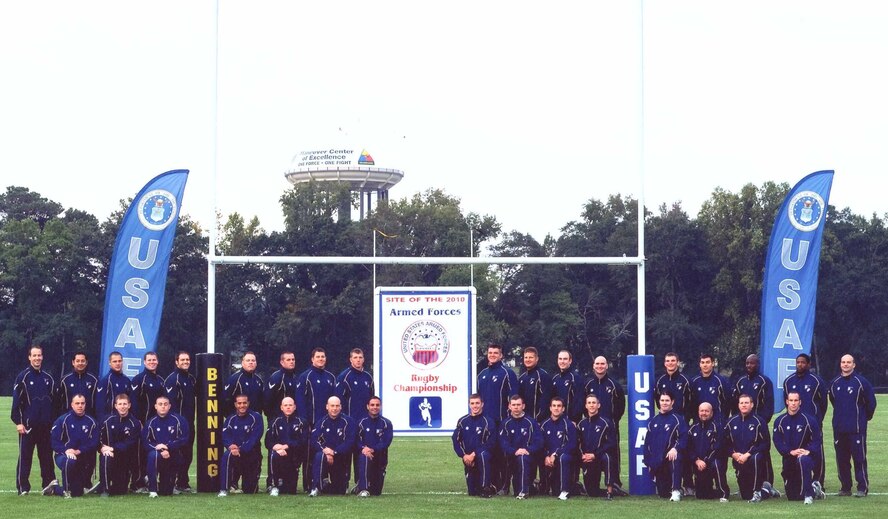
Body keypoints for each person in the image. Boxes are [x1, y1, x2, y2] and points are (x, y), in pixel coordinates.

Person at [827, 354, 877, 497]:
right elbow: (833, 401)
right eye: (843, 362)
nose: (846, 364)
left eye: (849, 362)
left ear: (854, 365)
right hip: (839, 429)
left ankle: (862, 487)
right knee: (841, 459)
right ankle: (845, 487)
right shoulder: (834, 383)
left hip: (856, 429)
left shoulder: (861, 382)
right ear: (840, 364)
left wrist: (863, 418)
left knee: (859, 459)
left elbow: (871, 403)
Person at [12, 344, 58, 496]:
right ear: (29, 357)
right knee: (25, 457)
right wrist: (18, 422)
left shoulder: (48, 378)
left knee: (46, 457)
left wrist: (53, 424)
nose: (37, 358)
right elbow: (17, 403)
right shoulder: (23, 377)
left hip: (45, 427)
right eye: (34, 355)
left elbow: (54, 403)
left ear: (42, 357)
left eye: (39, 355)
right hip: (28, 426)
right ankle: (23, 487)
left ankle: (48, 485)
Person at [477, 343, 518, 493]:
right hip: (487, 424)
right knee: (490, 454)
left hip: (502, 422)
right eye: (490, 352)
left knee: (504, 455)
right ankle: (493, 484)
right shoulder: (482, 375)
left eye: (496, 353)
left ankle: (505, 485)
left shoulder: (507, 373)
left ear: (501, 355)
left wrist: (509, 419)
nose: (492, 355)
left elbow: (513, 398)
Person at [782, 353, 828, 487]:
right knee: (794, 450)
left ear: (809, 364)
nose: (800, 365)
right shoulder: (789, 381)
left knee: (816, 450)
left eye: (803, 362)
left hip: (812, 423)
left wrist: (817, 419)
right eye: (798, 362)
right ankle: (794, 479)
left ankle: (818, 481)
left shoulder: (817, 381)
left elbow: (823, 403)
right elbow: (788, 402)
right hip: (794, 423)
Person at [772, 392, 824, 504]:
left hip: (806, 458)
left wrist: (808, 451)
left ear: (800, 402)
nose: (793, 403)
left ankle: (809, 495)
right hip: (789, 458)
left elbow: (817, 440)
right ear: (787, 402)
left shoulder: (809, 420)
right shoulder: (780, 421)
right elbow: (777, 441)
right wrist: (790, 452)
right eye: (791, 400)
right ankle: (815, 488)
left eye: (796, 400)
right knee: (792, 497)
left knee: (802, 459)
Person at [584, 356, 626, 492]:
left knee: (612, 454)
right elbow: (583, 405)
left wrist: (612, 421)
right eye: (597, 363)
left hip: (610, 427)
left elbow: (620, 407)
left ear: (607, 366)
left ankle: (614, 483)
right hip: (592, 426)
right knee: (592, 454)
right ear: (593, 366)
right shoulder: (588, 384)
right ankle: (591, 481)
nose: (600, 366)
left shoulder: (614, 385)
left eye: (603, 363)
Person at [296, 348, 337, 491]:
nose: (321, 359)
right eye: (318, 357)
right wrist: (305, 422)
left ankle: (324, 481)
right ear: (312, 359)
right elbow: (300, 401)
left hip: (328, 423)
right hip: (311, 423)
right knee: (310, 455)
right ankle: (309, 484)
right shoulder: (305, 377)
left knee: (326, 453)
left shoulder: (330, 377)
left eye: (323, 356)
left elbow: (334, 401)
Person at [724, 394, 777, 503]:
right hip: (739, 461)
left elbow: (765, 444)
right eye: (741, 403)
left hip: (756, 461)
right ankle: (767, 489)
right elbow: (724, 444)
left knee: (755, 457)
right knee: (746, 496)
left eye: (746, 403)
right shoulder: (731, 422)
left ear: (752, 405)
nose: (744, 405)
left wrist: (748, 454)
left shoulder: (759, 421)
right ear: (738, 405)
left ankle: (758, 490)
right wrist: (733, 454)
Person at [733, 354, 775, 487]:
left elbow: (769, 404)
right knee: (744, 453)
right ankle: (748, 481)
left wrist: (762, 421)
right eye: (747, 363)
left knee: (762, 452)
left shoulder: (764, 381)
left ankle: (767, 483)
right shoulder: (741, 381)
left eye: (752, 363)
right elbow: (735, 403)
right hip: (743, 424)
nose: (749, 366)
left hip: (758, 424)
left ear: (758, 364)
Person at [655, 352, 694, 495]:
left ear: (678, 363)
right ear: (664, 363)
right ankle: (668, 482)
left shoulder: (685, 380)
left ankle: (689, 484)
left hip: (682, 423)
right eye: (667, 361)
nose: (670, 363)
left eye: (673, 361)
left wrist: (685, 419)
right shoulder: (660, 381)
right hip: (666, 424)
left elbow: (691, 401)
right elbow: (658, 400)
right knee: (665, 452)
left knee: (684, 452)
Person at [46, 394, 99, 498]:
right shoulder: (62, 420)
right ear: (72, 405)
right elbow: (54, 442)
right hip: (64, 456)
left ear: (85, 405)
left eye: (82, 403)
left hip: (82, 457)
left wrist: (79, 451)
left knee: (78, 492)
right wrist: (66, 450)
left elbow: (94, 442)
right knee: (69, 460)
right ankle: (66, 491)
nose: (80, 406)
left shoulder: (92, 422)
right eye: (77, 403)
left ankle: (55, 488)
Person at [336, 347, 374, 488]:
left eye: (360, 357)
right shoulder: (344, 377)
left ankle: (360, 483)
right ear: (350, 359)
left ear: (363, 359)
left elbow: (371, 401)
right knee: (345, 453)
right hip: (349, 423)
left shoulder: (368, 378)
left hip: (364, 424)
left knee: (361, 453)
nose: (358, 360)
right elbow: (339, 401)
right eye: (355, 358)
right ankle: (343, 483)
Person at [643, 391, 688, 502]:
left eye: (667, 400)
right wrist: (648, 462)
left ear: (672, 402)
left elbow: (683, 438)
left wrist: (675, 448)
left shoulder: (678, 419)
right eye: (662, 400)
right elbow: (647, 443)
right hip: (658, 462)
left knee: (675, 457)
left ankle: (676, 490)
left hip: (670, 459)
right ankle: (675, 489)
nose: (664, 403)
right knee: (663, 494)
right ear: (659, 402)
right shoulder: (653, 421)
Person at [217, 395, 264, 497]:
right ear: (235, 404)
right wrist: (230, 446)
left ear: (248, 403)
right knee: (227, 455)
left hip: (251, 455)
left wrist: (240, 448)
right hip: (235, 454)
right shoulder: (230, 419)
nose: (242, 405)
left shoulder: (256, 418)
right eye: (239, 403)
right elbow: (225, 436)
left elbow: (254, 438)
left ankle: (245, 484)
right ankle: (224, 489)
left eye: (244, 403)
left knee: (250, 491)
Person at [143, 395, 189, 498]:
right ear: (155, 406)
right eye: (160, 404)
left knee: (166, 492)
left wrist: (168, 447)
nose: (163, 406)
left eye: (165, 404)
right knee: (153, 455)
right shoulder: (150, 422)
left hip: (173, 454)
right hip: (157, 453)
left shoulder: (179, 420)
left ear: (169, 406)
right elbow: (145, 442)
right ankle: (152, 490)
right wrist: (160, 449)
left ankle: (169, 483)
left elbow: (184, 439)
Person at [309, 396, 356, 496]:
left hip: (341, 458)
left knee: (339, 491)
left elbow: (349, 442)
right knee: (319, 456)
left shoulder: (348, 422)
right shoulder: (321, 422)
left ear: (340, 407)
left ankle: (328, 484)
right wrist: (325, 451)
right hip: (325, 457)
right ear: (327, 407)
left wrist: (334, 452)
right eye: (332, 406)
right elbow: (315, 440)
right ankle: (316, 487)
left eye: (337, 406)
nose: (334, 408)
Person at [452, 394, 497, 498]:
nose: (475, 406)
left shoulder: (488, 421)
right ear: (469, 405)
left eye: (477, 403)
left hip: (483, 456)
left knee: (483, 455)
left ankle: (486, 487)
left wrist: (475, 453)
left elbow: (491, 442)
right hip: (468, 458)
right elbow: (455, 440)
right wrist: (463, 455)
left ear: (482, 404)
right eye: (472, 403)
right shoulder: (462, 421)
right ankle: (481, 485)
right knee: (472, 492)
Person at [498, 395, 543, 499]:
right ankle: (528, 487)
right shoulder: (505, 423)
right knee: (516, 489)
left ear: (523, 406)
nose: (516, 407)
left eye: (518, 404)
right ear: (509, 406)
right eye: (513, 405)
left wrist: (527, 450)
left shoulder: (531, 422)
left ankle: (524, 492)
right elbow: (503, 443)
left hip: (528, 457)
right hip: (512, 456)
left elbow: (539, 441)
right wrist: (515, 451)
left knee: (522, 458)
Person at [98, 393, 142, 496]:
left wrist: (113, 448)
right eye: (120, 404)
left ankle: (115, 484)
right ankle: (105, 489)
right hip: (109, 455)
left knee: (120, 491)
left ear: (129, 405)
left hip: (124, 458)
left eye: (125, 404)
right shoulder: (106, 421)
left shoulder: (134, 423)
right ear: (115, 406)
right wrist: (102, 448)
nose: (122, 406)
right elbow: (99, 438)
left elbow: (130, 443)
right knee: (106, 456)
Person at [131, 351, 163, 491]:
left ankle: (151, 480)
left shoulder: (161, 380)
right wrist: (139, 420)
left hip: (156, 424)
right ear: (144, 362)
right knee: (140, 452)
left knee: (154, 451)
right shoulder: (139, 379)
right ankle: (137, 483)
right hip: (142, 422)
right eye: (149, 360)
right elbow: (133, 401)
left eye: (154, 360)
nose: (152, 362)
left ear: (157, 361)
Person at [163, 350, 195, 494]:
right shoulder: (172, 379)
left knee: (188, 454)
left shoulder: (191, 379)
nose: (185, 362)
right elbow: (169, 405)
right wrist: (175, 424)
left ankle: (183, 482)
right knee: (177, 454)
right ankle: (171, 482)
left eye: (187, 360)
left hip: (190, 423)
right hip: (177, 425)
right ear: (176, 362)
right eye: (182, 360)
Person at [577, 394, 619, 500]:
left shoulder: (606, 423)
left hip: (599, 457)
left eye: (594, 403)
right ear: (586, 406)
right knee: (592, 493)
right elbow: (577, 443)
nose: (591, 405)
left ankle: (610, 491)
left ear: (598, 405)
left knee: (607, 458)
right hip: (586, 458)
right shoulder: (581, 424)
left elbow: (611, 443)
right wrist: (583, 455)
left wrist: (595, 454)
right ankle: (574, 486)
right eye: (589, 403)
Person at [687, 402, 730, 502]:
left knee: (717, 463)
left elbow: (717, 447)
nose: (704, 413)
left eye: (707, 411)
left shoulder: (717, 428)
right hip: (698, 463)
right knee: (702, 495)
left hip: (712, 461)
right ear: (698, 412)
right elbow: (689, 447)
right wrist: (696, 460)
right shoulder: (693, 428)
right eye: (702, 411)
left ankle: (724, 493)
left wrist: (705, 460)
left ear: (711, 413)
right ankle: (710, 491)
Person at [265, 397, 307, 496]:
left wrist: (287, 446)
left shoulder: (302, 422)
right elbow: (268, 442)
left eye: (290, 405)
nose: (288, 407)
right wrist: (276, 447)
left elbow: (303, 441)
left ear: (295, 407)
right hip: (279, 455)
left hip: (294, 457)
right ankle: (274, 486)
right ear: (281, 407)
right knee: (273, 454)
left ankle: (287, 481)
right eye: (285, 405)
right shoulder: (275, 422)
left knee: (290, 491)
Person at [355, 396, 393, 497]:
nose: (374, 407)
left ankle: (363, 485)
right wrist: (364, 449)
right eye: (372, 405)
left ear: (380, 406)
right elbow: (356, 440)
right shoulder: (361, 422)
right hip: (365, 456)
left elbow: (386, 442)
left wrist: (372, 449)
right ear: (367, 406)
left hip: (380, 458)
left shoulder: (386, 423)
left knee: (376, 492)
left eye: (377, 405)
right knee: (364, 457)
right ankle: (363, 489)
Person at [540, 397, 577, 500]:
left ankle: (565, 491)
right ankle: (541, 485)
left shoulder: (568, 425)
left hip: (562, 457)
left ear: (563, 409)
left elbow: (572, 444)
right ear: (550, 408)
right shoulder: (544, 424)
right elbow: (540, 444)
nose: (556, 408)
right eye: (554, 406)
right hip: (548, 458)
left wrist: (556, 454)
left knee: (564, 458)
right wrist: (546, 456)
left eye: (559, 406)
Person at [689, 353, 731, 426]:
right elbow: (691, 402)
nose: (705, 365)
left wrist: (723, 418)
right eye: (703, 362)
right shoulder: (694, 381)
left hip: (717, 422)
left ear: (712, 364)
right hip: (699, 422)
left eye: (707, 362)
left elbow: (727, 402)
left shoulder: (721, 381)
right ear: (700, 364)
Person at [54, 351, 98, 418]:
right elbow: (57, 402)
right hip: (68, 419)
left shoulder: (94, 380)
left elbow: (97, 402)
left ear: (86, 363)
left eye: (82, 361)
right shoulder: (64, 380)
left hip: (88, 419)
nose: (80, 363)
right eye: (78, 361)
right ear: (73, 362)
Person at [96, 351, 134, 424]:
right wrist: (102, 422)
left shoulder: (126, 380)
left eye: (119, 361)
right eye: (114, 361)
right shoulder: (105, 380)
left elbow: (130, 401)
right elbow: (100, 405)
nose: (117, 363)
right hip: (110, 421)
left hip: (125, 421)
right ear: (110, 363)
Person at [518, 346, 552, 423]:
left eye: (531, 357)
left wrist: (539, 418)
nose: (528, 360)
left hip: (538, 421)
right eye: (526, 357)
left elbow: (546, 400)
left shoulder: (543, 376)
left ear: (537, 359)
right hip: (524, 421)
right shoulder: (522, 378)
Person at [224, 351, 264, 416]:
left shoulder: (258, 380)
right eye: (248, 360)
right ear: (242, 363)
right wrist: (233, 417)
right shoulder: (235, 379)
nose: (251, 362)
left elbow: (261, 402)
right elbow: (225, 400)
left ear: (256, 363)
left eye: (253, 360)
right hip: (239, 421)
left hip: (255, 420)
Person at [550, 349, 584, 423]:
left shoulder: (575, 378)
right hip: (555, 421)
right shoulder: (555, 378)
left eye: (565, 359)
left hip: (571, 422)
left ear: (570, 361)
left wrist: (575, 420)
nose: (562, 361)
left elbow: (579, 401)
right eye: (560, 359)